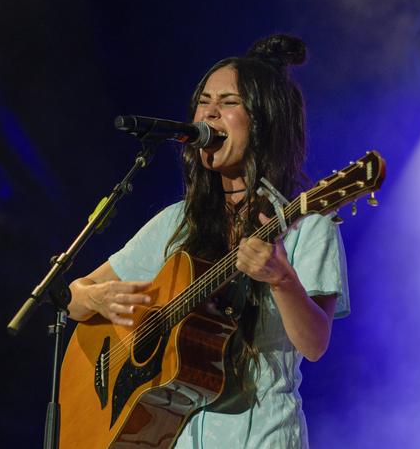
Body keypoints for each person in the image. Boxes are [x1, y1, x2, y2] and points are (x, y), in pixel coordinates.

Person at [67, 34, 349, 449]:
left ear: (265, 119)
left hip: (262, 437)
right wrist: (97, 299)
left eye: (229, 102)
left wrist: (281, 278)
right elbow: (74, 297)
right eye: (204, 100)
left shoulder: (308, 226)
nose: (210, 112)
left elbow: (314, 344)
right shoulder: (175, 222)